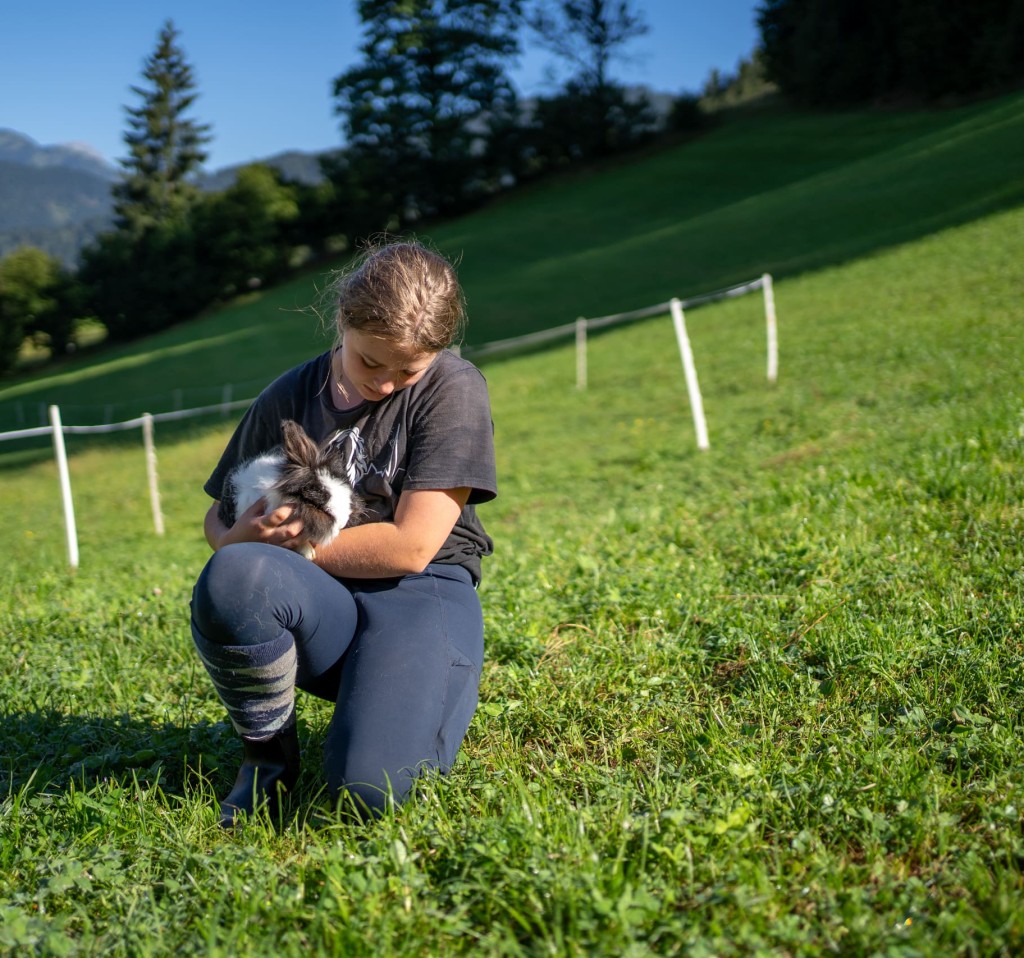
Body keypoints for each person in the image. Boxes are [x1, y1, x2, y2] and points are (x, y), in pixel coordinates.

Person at [189, 240, 498, 826]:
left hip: (420, 591)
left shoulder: (452, 389)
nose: (384, 384)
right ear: (341, 324)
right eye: (369, 362)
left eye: (407, 369)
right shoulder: (288, 394)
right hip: (320, 598)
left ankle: (396, 693)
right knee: (235, 573)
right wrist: (237, 546)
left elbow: (410, 548)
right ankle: (267, 761)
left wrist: (288, 547)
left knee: (371, 790)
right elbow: (218, 513)